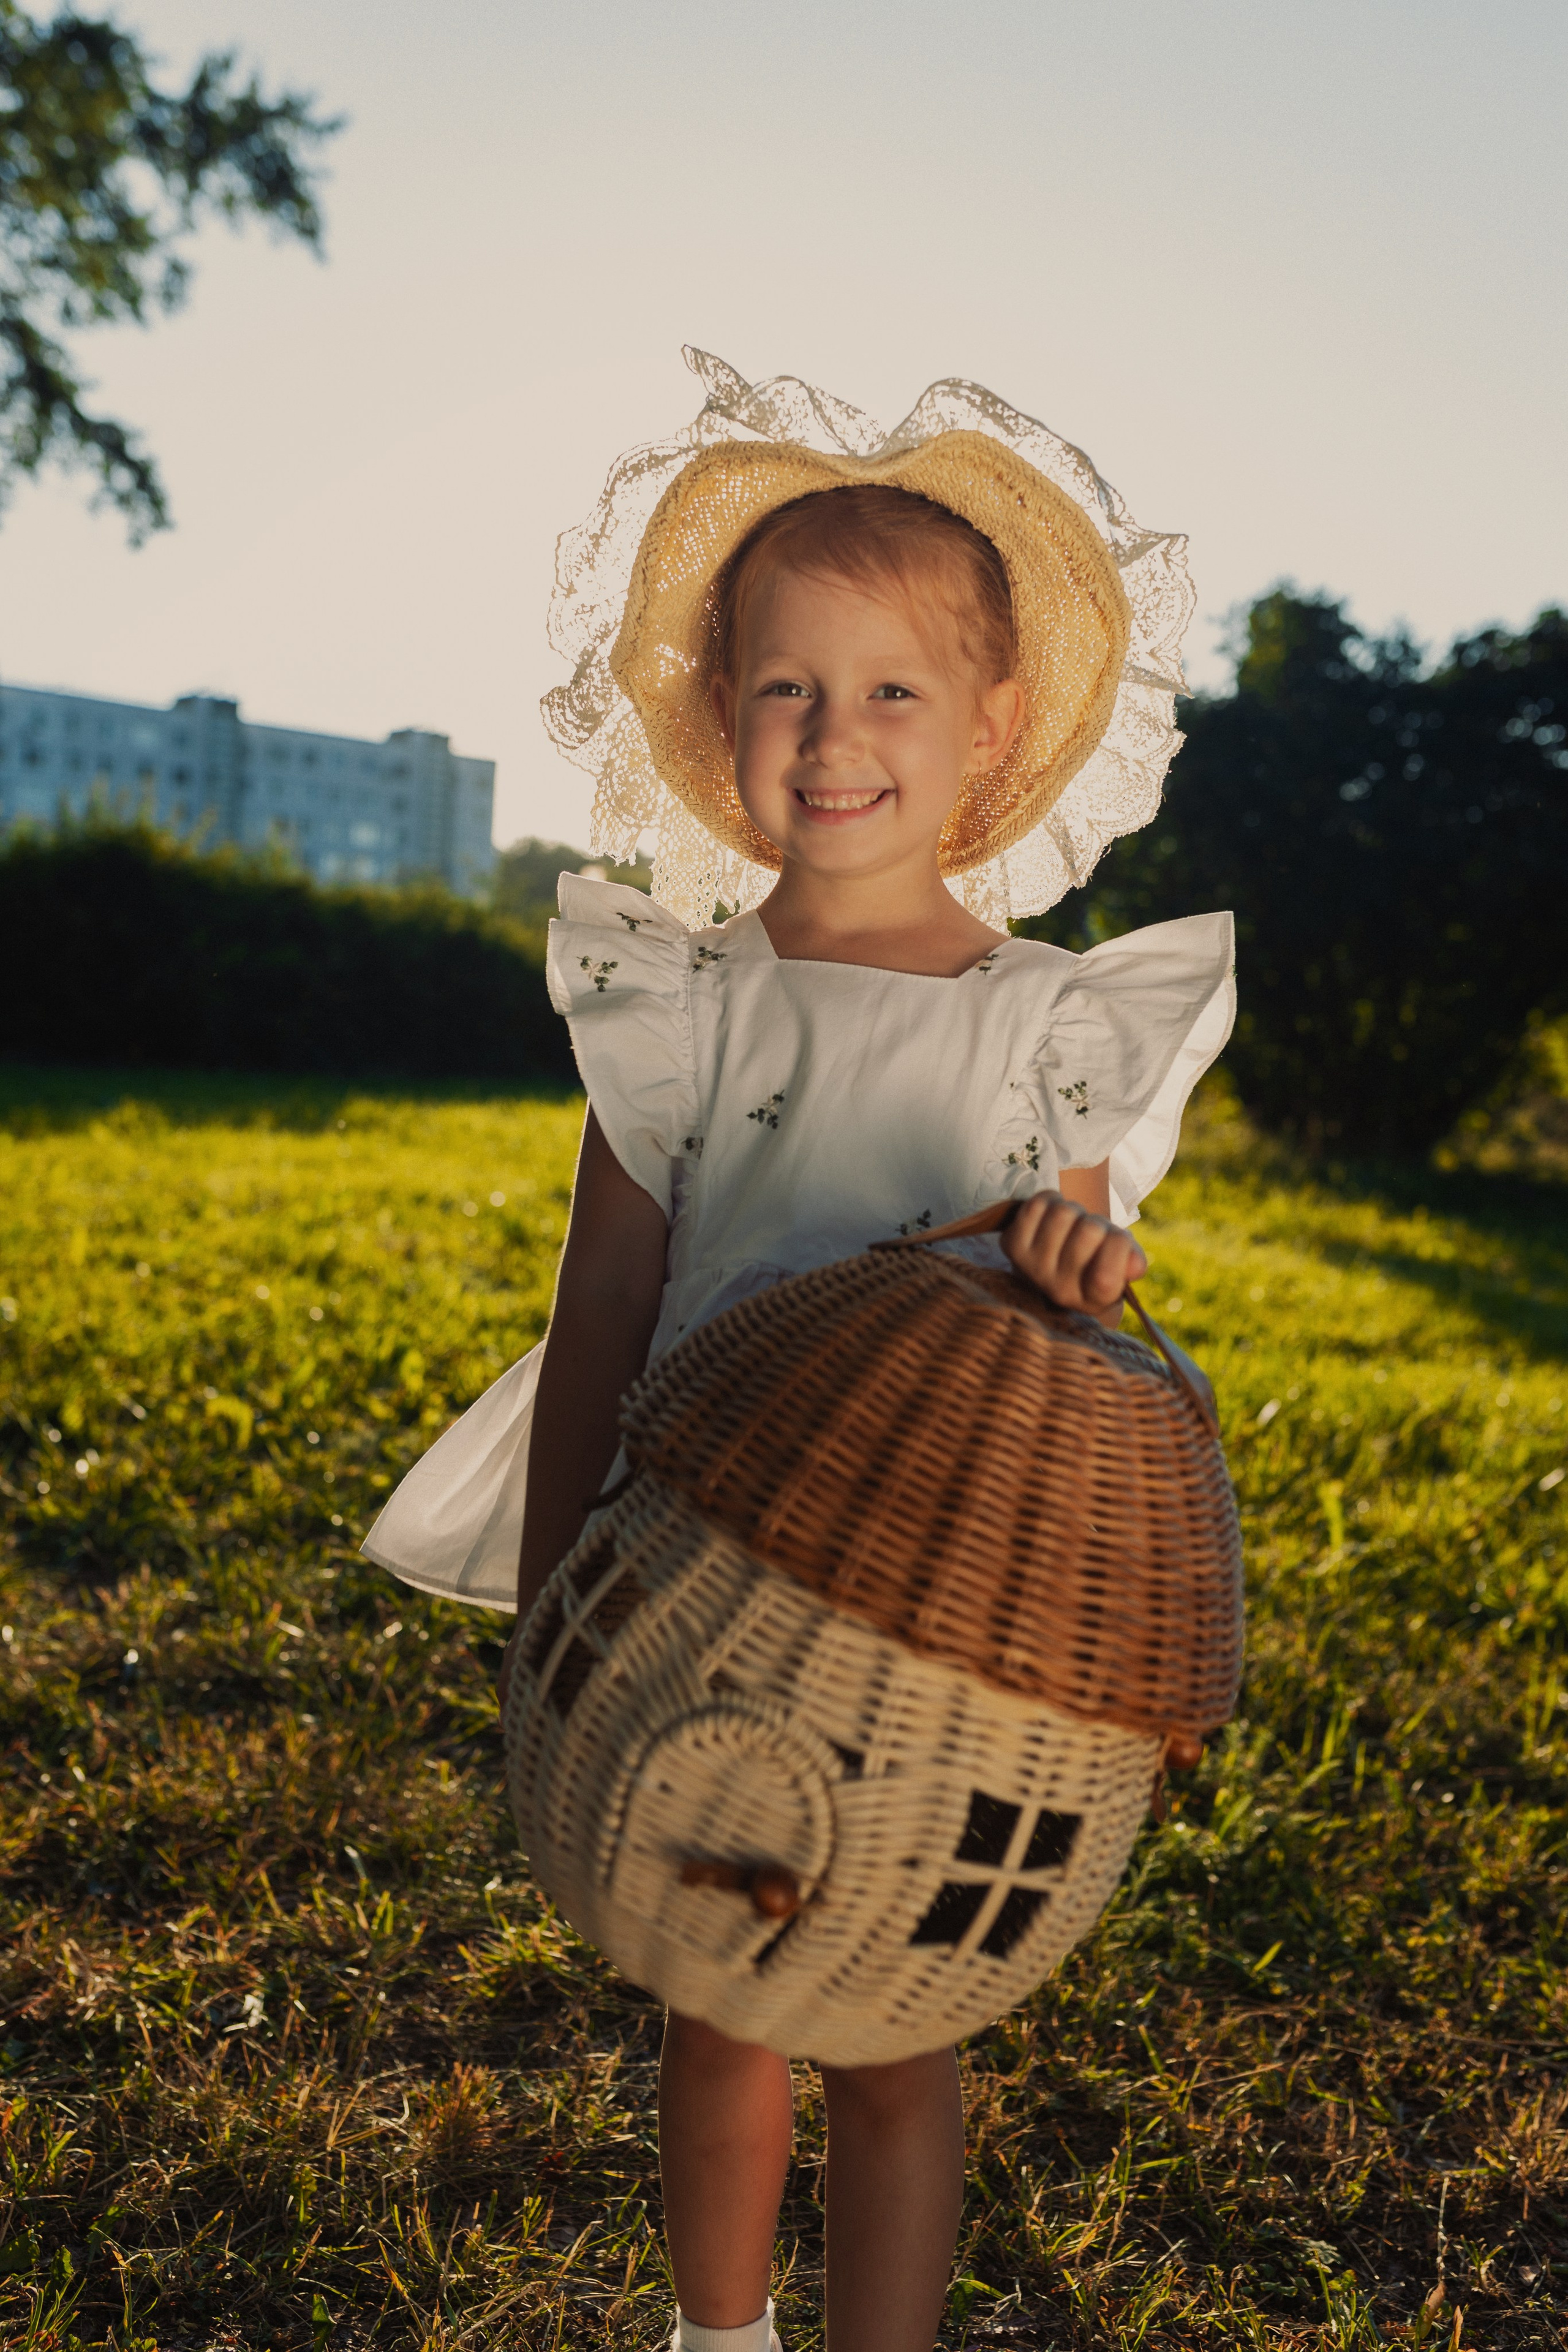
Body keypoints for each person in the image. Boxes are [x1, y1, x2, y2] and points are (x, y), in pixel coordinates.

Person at [366, 354, 1234, 2352]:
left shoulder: (1043, 1025)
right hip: (704, 1571)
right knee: (718, 1991)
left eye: (894, 691)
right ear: (722, 717)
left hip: (936, 1605)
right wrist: (558, 1580)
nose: (836, 738)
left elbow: (1073, 1297)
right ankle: (721, 2332)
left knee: (903, 2031)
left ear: (992, 730)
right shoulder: (683, 1010)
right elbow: (602, 1311)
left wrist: (1076, 1264)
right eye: (787, 688)